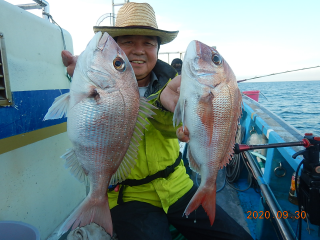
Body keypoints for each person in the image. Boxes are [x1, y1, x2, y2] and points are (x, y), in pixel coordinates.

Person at [61, 2, 253, 240]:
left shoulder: (177, 84)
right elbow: (80, 116)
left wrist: (165, 104)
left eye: (148, 43)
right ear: (115, 46)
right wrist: (72, 77)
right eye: (128, 41)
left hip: (177, 185)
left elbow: (172, 128)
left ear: (158, 49)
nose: (139, 50)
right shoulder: (92, 76)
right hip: (128, 196)